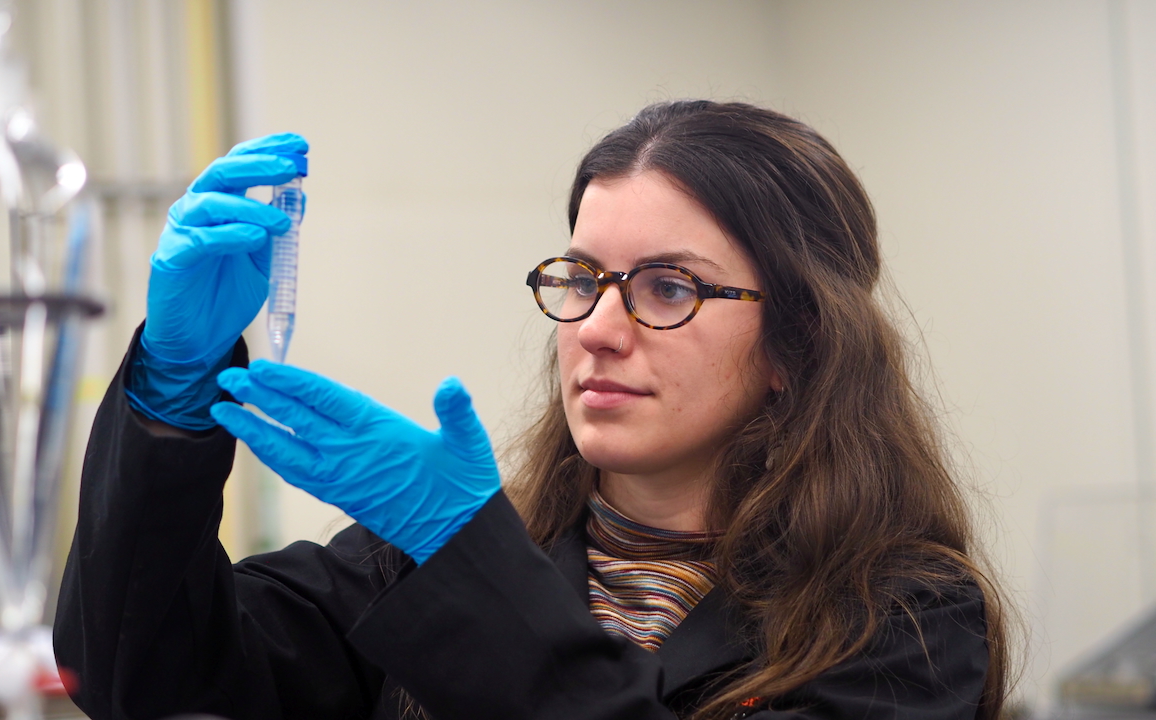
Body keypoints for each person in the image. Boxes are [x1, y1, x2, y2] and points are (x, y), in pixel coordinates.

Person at [53, 100, 1009, 720]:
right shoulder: (418, 561)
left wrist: (476, 565)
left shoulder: (901, 623)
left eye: (669, 288)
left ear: (797, 343)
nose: (596, 328)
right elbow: (139, 677)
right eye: (583, 278)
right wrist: (171, 405)